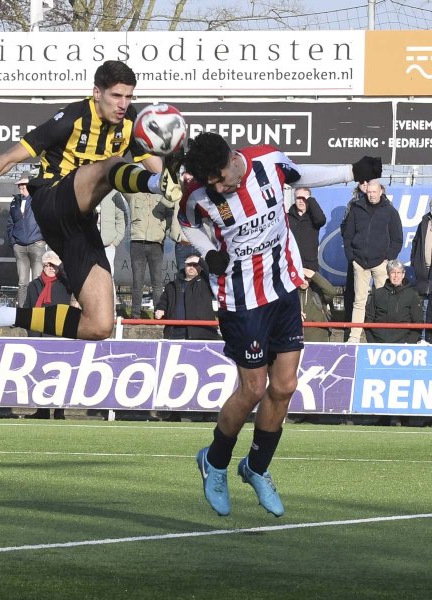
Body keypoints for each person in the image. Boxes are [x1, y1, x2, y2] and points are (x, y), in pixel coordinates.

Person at [176, 132, 381, 517]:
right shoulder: (199, 195)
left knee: (285, 386)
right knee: (253, 388)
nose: (219, 188)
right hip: (241, 301)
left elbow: (300, 175)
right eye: (212, 184)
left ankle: (256, 467)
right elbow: (186, 222)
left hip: (283, 289)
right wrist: (208, 252)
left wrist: (351, 172)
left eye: (221, 179)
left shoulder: (268, 161)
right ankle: (214, 462)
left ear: (232, 157)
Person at [0, 60, 186, 355]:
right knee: (113, 165)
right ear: (97, 93)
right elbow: (6, 159)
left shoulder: (130, 122)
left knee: (100, 324)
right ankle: (151, 184)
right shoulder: (70, 118)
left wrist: (175, 175)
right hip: (52, 201)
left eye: (129, 96)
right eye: (116, 96)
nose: (123, 104)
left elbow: (163, 175)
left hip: (80, 221)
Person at [155, 253, 219, 423]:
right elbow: (163, 301)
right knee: (175, 377)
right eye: (188, 264)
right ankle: (174, 412)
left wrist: (201, 261)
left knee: (204, 375)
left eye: (195, 265)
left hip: (201, 335)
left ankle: (208, 412)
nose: (191, 267)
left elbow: (211, 272)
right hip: (176, 335)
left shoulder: (206, 283)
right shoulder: (172, 285)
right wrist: (160, 309)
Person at [342, 180, 403, 343]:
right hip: (359, 263)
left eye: (374, 192)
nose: (371, 195)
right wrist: (351, 257)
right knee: (359, 301)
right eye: (369, 192)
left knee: (383, 302)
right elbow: (347, 235)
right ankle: (354, 337)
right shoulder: (356, 209)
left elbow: (397, 238)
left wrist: (388, 258)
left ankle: (383, 338)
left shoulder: (390, 211)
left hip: (381, 264)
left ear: (381, 192)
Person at [24, 251, 74, 420]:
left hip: (59, 335)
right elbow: (28, 309)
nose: (51, 268)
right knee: (40, 375)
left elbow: (74, 281)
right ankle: (42, 410)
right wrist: (32, 335)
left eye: (54, 265)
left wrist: (60, 264)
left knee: (60, 374)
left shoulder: (64, 283)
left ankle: (60, 411)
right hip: (38, 336)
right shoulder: (34, 285)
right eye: (48, 265)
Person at [124, 191, 173, 318]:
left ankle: (158, 314)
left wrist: (162, 227)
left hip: (156, 244)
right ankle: (135, 315)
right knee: (137, 282)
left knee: (157, 283)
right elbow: (122, 188)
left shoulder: (162, 198)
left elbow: (170, 215)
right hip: (137, 243)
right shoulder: (134, 196)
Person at [7, 171, 47, 307]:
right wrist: (13, 242)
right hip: (20, 247)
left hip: (37, 245)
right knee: (22, 283)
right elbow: (10, 223)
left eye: (24, 184)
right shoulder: (15, 202)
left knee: (38, 280)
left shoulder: (38, 199)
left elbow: (46, 219)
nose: (22, 187)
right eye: (20, 185)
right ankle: (22, 311)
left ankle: (37, 309)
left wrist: (42, 239)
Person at [365, 260, 421, 345]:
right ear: (388, 274)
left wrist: (409, 343)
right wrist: (372, 342)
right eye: (393, 273)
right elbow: (368, 319)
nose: (396, 276)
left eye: (398, 272)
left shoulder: (412, 295)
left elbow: (418, 322)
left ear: (403, 274)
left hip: (404, 344)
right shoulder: (377, 294)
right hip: (378, 343)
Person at [340, 181, 368, 341]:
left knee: (379, 295)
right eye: (362, 181)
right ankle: (350, 333)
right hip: (356, 257)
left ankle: (376, 331)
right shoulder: (352, 204)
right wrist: (351, 254)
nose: (365, 184)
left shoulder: (384, 201)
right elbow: (344, 228)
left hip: (377, 257)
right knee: (352, 294)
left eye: (367, 181)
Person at [98, 190, 127, 316]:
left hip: (107, 245)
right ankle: (90, 313)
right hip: (88, 244)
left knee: (108, 278)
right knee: (86, 278)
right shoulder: (87, 188)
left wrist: (116, 240)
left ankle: (110, 313)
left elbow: (122, 216)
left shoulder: (113, 193)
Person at [287, 188, 326, 272]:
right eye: (298, 198)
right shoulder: (287, 217)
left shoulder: (313, 218)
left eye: (304, 198)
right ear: (294, 199)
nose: (301, 201)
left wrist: (310, 200)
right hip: (290, 262)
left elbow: (321, 220)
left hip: (310, 263)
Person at [410, 198, 432, 343]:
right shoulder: (424, 222)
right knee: (424, 305)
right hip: (424, 270)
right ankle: (424, 338)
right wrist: (415, 262)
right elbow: (415, 242)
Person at [299, 268, 337, 343]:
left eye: (307, 278)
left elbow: (332, 292)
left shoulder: (317, 293)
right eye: (301, 277)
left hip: (318, 338)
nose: (304, 281)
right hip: (296, 339)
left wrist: (314, 275)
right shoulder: (289, 294)